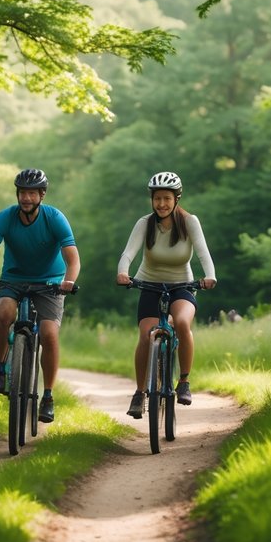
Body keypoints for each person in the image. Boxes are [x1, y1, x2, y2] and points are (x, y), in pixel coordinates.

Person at [0, 168, 80, 424]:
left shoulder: (54, 218)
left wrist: (69, 281)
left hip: (50, 284)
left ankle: (48, 396)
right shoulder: (5, 218)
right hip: (13, 279)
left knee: (49, 334)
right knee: (5, 313)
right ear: (17, 194)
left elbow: (72, 258)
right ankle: (0, 369)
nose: (26, 198)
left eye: (32, 193)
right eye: (22, 193)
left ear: (42, 195)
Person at [116, 171, 216, 419]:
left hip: (182, 284)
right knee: (146, 335)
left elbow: (203, 253)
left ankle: (183, 381)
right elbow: (128, 253)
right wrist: (123, 272)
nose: (161, 203)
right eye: (157, 198)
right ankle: (140, 393)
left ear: (176, 199)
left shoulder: (189, 222)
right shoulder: (144, 224)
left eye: (166, 198)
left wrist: (210, 275)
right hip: (149, 284)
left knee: (182, 322)